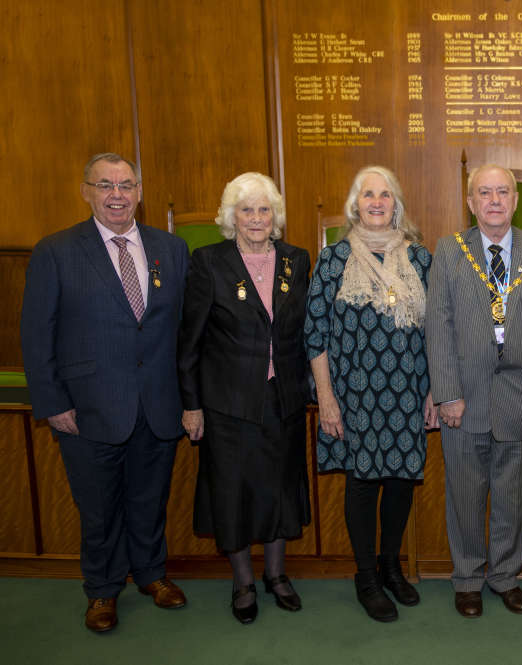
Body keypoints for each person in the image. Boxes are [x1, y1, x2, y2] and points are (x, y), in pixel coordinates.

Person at [20, 152, 189, 633]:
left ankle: (153, 576)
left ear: (139, 192)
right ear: (87, 191)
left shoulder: (170, 250)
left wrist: (187, 399)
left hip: (157, 404)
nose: (117, 194)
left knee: (149, 500)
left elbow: (183, 330)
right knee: (97, 508)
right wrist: (52, 404)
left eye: (126, 184)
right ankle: (101, 590)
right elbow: (36, 334)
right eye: (106, 185)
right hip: (87, 409)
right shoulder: (56, 251)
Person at [426, 163, 522, 618]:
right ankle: (467, 578)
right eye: (484, 193)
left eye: (502, 192)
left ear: (515, 200)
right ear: (470, 203)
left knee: (512, 495)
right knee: (465, 495)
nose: (494, 200)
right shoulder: (449, 251)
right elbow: (438, 326)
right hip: (463, 399)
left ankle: (505, 577)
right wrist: (446, 392)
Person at [178, 172, 312, 625]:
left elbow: (303, 333)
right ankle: (243, 582)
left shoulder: (297, 260)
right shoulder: (208, 263)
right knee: (232, 493)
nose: (256, 218)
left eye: (264, 209)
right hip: (227, 404)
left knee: (279, 489)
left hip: (283, 399)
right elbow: (189, 341)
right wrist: (191, 404)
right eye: (246, 209)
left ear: (275, 216)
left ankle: (276, 576)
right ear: (230, 216)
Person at [305, 166, 436, 623]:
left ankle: (390, 565)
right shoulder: (333, 259)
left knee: (400, 481)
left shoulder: (421, 259)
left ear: (395, 204)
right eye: (367, 195)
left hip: (409, 393)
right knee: (362, 483)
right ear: (355, 205)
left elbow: (437, 333)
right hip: (353, 395)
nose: (376, 202)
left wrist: (433, 392)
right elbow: (314, 333)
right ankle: (365, 576)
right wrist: (326, 397)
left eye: (384, 195)